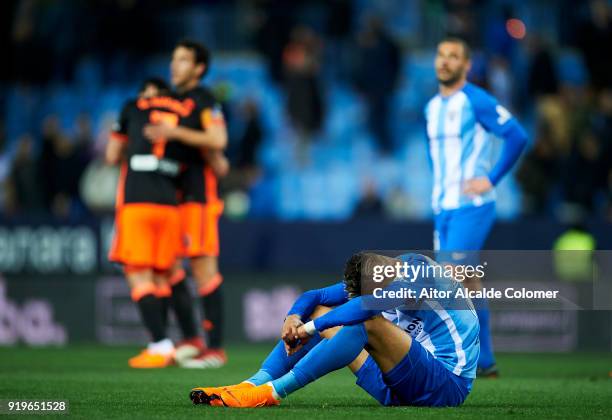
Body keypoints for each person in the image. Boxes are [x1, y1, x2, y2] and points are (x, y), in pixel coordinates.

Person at [190, 252, 479, 408]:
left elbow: (366, 309)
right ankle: (252, 384)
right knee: (318, 311)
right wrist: (293, 318)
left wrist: (309, 329)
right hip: (396, 384)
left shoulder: (421, 273)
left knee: (365, 320)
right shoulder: (379, 277)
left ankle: (271, 393)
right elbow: (314, 297)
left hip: (444, 386)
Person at [424, 37, 528, 377]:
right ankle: (486, 362)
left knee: (446, 279)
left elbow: (517, 136)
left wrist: (492, 178)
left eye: (453, 57)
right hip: (443, 208)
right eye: (441, 55)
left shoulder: (476, 100)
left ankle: (449, 359)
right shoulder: (432, 107)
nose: (445, 61)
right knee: (467, 283)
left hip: (472, 205)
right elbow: (437, 159)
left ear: (466, 66)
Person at [142, 40, 229, 368]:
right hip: (170, 199)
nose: (174, 65)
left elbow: (218, 140)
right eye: (173, 59)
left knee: (204, 271)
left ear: (199, 68)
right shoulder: (172, 102)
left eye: (182, 60)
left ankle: (215, 350)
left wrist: (175, 132)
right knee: (171, 268)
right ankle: (192, 338)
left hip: (198, 198)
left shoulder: (204, 101)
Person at [106, 78, 184, 368]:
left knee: (138, 276)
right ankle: (164, 344)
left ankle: (160, 344)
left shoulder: (132, 107)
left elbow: (112, 154)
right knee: (162, 278)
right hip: (170, 205)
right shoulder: (182, 114)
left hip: (137, 203)